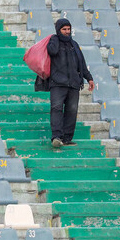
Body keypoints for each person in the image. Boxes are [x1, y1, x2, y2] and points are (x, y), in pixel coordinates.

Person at [47, 18, 95, 148]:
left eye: (68, 29)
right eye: (64, 29)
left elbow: (82, 64)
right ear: (58, 30)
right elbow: (52, 51)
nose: (67, 32)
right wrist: (56, 38)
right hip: (57, 82)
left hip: (73, 83)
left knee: (72, 111)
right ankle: (56, 137)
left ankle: (67, 138)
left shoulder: (74, 45)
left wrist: (89, 78)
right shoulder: (54, 41)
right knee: (56, 109)